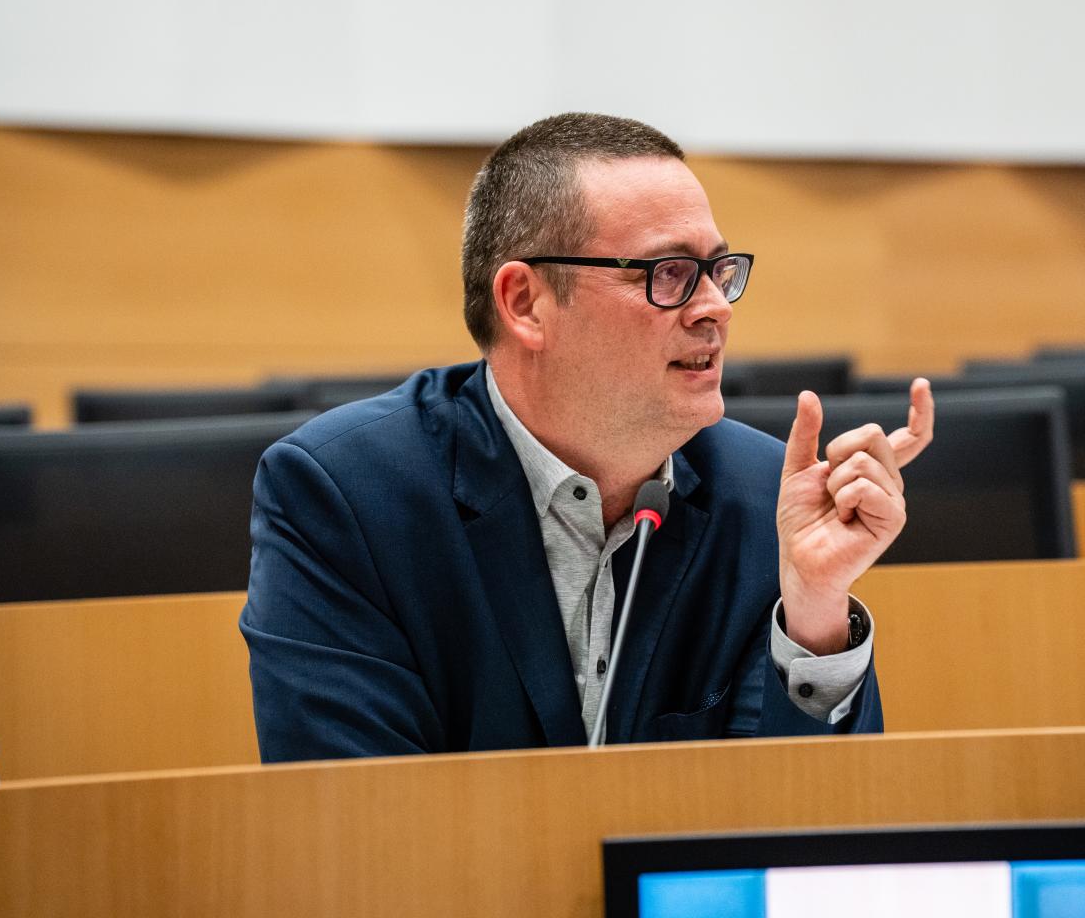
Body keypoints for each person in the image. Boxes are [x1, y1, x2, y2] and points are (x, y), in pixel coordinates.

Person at [241, 113, 933, 760]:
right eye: (669, 274)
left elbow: (811, 815)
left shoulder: (764, 498)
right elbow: (351, 811)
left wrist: (814, 612)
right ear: (525, 303)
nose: (715, 308)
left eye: (719, 272)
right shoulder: (347, 495)